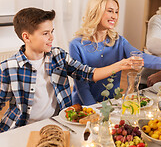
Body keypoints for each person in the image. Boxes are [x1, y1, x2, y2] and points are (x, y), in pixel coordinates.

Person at [0, 8, 137, 132]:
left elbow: (89, 73)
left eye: (52, 32)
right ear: (26, 37)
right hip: (21, 129)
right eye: (45, 33)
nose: (52, 37)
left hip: (56, 124)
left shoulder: (58, 56)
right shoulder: (8, 68)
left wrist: (120, 65)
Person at [69, 0, 161, 105]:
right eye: (110, 11)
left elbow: (139, 56)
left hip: (111, 103)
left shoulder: (118, 41)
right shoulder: (76, 45)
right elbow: (81, 86)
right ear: (96, 11)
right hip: (84, 106)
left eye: (116, 12)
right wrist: (93, 109)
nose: (114, 16)